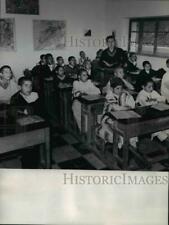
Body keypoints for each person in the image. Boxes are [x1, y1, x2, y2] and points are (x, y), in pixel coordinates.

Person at [97, 77, 137, 148]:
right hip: (109, 117)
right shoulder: (109, 96)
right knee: (121, 128)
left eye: (121, 88)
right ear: (112, 89)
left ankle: (132, 144)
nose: (120, 90)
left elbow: (132, 105)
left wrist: (128, 104)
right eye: (117, 88)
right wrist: (127, 107)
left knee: (132, 125)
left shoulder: (124, 94)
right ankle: (120, 147)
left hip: (122, 116)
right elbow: (116, 108)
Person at [136, 78, 169, 143]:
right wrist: (156, 100)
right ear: (143, 87)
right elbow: (146, 104)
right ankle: (157, 134)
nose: (151, 89)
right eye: (149, 87)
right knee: (158, 121)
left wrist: (156, 100)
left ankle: (163, 133)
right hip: (144, 116)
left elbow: (162, 98)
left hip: (153, 112)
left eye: (152, 87)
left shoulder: (153, 92)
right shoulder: (141, 94)